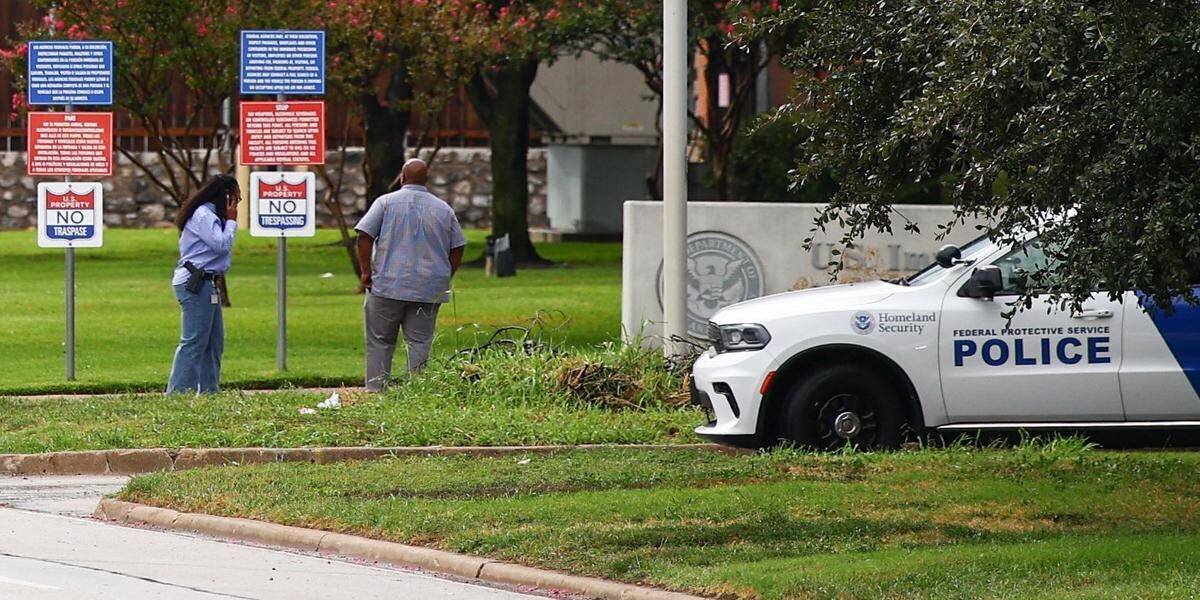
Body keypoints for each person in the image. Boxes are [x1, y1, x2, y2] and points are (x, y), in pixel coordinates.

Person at [355, 158, 466, 392]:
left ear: (402, 177)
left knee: (380, 340)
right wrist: (446, 273)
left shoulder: (385, 203)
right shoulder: (443, 209)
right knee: (419, 342)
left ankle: (376, 390)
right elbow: (458, 247)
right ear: (427, 180)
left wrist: (366, 271)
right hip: (428, 288)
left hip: (387, 284)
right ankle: (416, 390)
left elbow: (364, 236)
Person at [166, 174, 240, 394]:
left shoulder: (209, 215)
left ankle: (209, 391)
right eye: (235, 199)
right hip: (195, 281)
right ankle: (178, 393)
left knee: (213, 343)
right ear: (225, 197)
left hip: (208, 283)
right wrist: (232, 220)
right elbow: (220, 244)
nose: (236, 204)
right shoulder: (203, 214)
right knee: (194, 341)